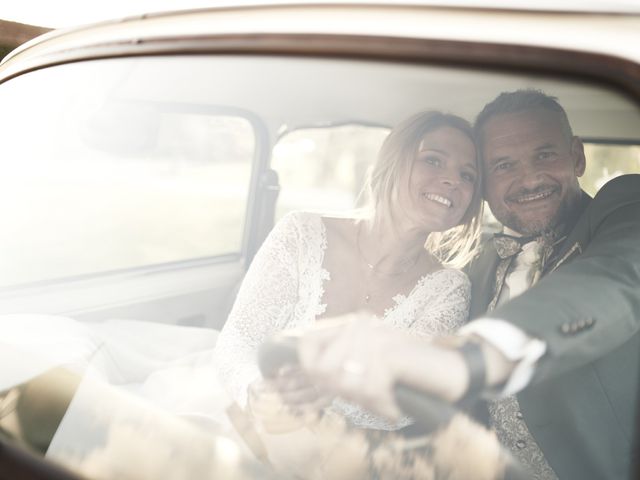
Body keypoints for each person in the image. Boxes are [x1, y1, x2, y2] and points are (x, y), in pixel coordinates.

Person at [294, 90, 640, 480]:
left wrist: (470, 358)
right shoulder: (468, 271)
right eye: (503, 165)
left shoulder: (624, 206)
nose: (528, 179)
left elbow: (616, 279)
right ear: (484, 185)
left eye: (544, 155)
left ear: (576, 156)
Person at [215, 110, 484, 431]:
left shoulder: (449, 288)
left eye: (467, 175)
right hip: (247, 422)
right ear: (392, 161)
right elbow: (237, 342)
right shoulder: (301, 233)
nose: (453, 180)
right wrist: (258, 392)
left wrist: (324, 414)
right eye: (434, 160)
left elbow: (411, 402)